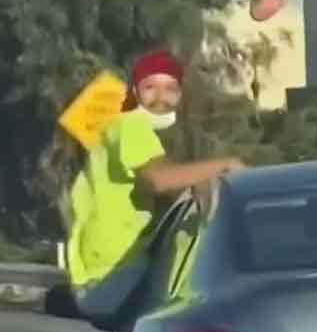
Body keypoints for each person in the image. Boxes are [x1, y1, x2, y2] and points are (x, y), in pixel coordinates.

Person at [64, 49, 244, 290]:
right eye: (151, 87)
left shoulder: (153, 134)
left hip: (118, 268)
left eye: (170, 89)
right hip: (115, 269)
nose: (161, 98)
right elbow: (159, 180)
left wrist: (201, 185)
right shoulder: (129, 124)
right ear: (135, 92)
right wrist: (225, 165)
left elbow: (171, 186)